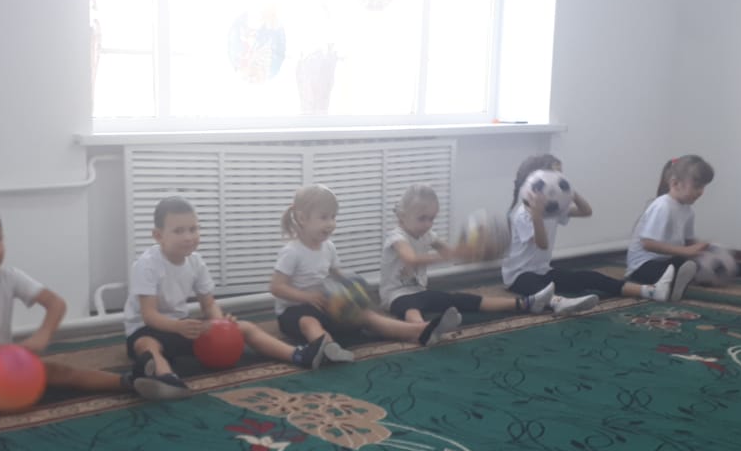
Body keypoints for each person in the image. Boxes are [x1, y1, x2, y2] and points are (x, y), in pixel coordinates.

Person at [0, 200, 182, 442]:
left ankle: (129, 381)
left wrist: (42, 336)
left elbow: (55, 304)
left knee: (59, 371)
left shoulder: (10, 276)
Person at [124, 197, 330, 390]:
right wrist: (177, 327)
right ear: (158, 236)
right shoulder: (147, 265)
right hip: (146, 329)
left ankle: (298, 355)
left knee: (245, 327)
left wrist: (220, 324)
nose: (188, 237)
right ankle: (165, 378)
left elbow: (208, 304)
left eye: (193, 229)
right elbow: (149, 315)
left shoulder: (196, 262)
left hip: (182, 326)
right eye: (178, 231)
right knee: (147, 345)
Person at [270, 185, 461, 362]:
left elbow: (335, 273)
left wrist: (351, 287)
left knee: (368, 316)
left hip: (327, 305)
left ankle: (421, 330)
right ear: (302, 218)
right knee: (309, 322)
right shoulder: (292, 252)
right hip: (293, 311)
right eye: (324, 217)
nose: (331, 223)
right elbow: (276, 288)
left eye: (333, 217)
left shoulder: (328, 247)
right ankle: (327, 348)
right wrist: (307, 297)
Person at [382, 184, 598, 323]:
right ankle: (423, 328)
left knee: (462, 299)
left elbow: (452, 252)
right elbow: (411, 259)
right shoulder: (396, 236)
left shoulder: (429, 235)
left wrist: (474, 251)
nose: (428, 224)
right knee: (410, 307)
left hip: (421, 291)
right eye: (422, 218)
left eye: (432, 218)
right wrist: (451, 255)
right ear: (402, 216)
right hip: (395, 296)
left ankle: (527, 303)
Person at [503, 154, 692, 303]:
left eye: (562, 177)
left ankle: (649, 291)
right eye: (556, 176)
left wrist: (569, 191)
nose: (561, 179)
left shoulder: (553, 209)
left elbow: (586, 211)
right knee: (538, 288)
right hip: (518, 276)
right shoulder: (523, 214)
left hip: (543, 270)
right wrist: (537, 216)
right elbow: (542, 244)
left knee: (589, 277)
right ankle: (558, 303)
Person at [626, 155, 741, 285]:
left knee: (710, 261)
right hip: (643, 267)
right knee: (692, 268)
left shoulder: (688, 210)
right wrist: (686, 252)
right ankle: (673, 284)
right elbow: (648, 244)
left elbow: (688, 242)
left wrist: (707, 248)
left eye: (703, 187)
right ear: (675, 184)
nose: (701, 192)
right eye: (697, 187)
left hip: (667, 260)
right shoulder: (662, 206)